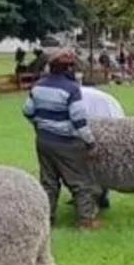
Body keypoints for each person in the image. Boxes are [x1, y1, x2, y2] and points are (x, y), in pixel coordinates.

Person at [23, 48, 100, 229]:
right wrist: (91, 143)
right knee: (80, 183)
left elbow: (27, 111)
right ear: (70, 69)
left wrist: (39, 125)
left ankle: (47, 220)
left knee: (48, 182)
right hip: (67, 143)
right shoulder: (71, 89)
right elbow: (79, 120)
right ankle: (85, 221)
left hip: (43, 141)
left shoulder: (38, 85)